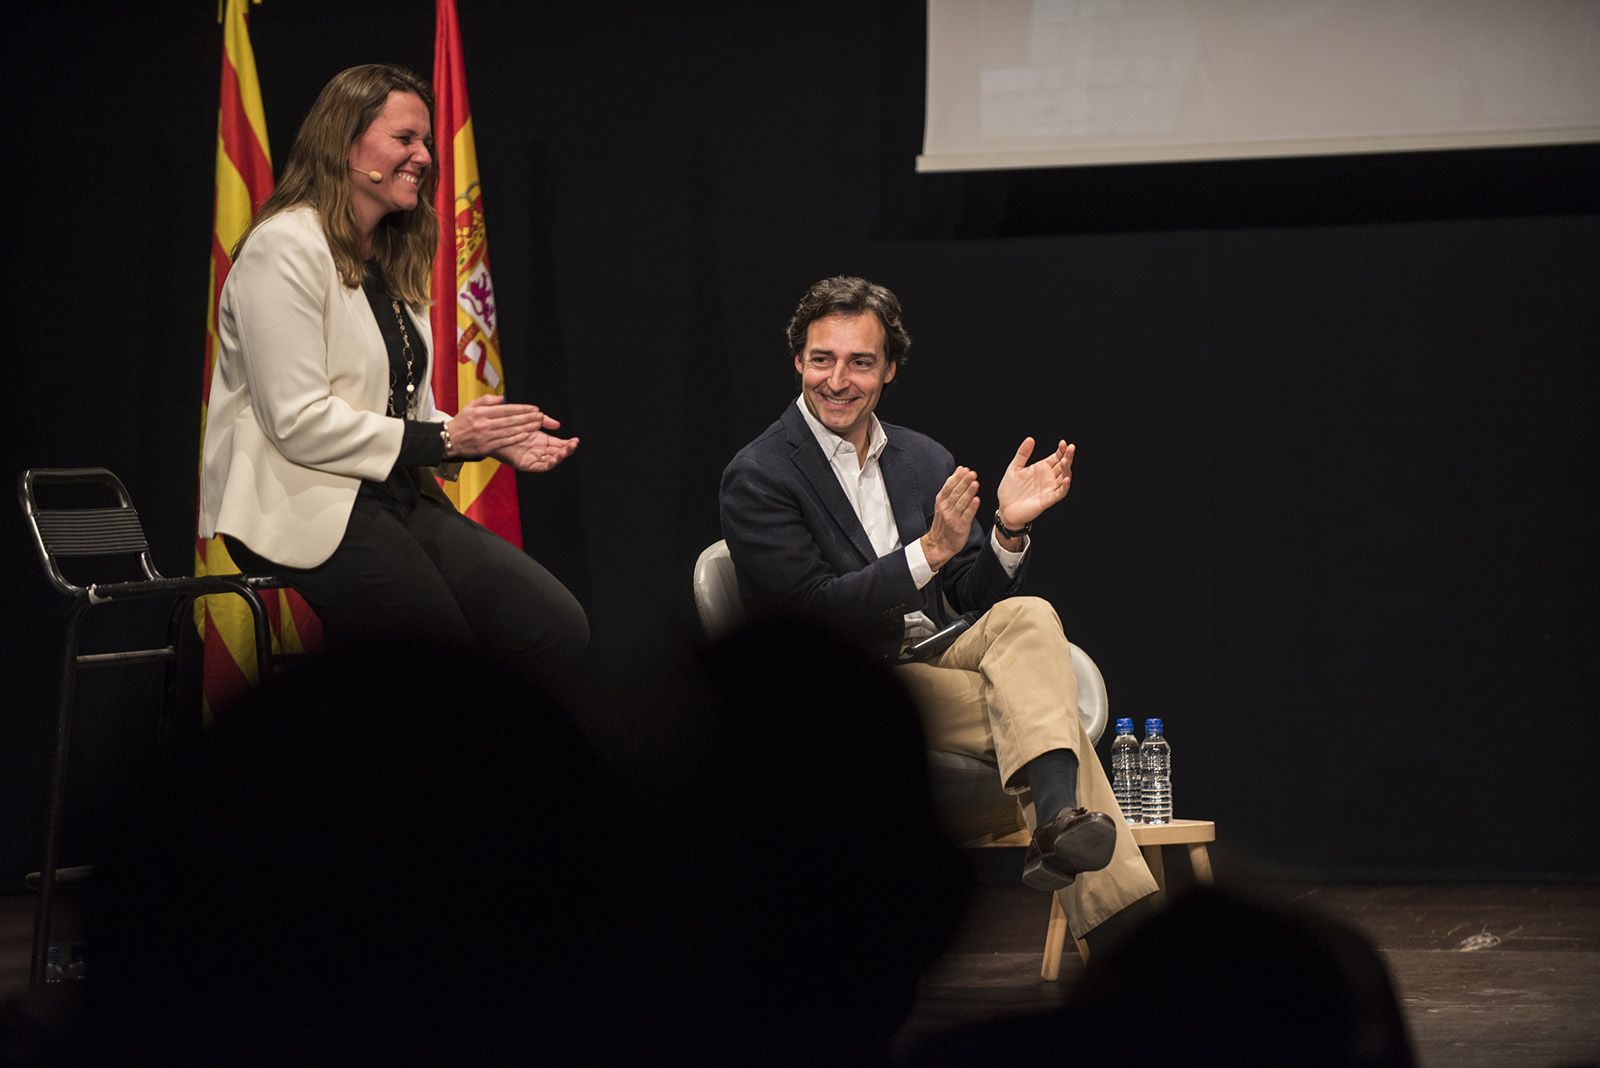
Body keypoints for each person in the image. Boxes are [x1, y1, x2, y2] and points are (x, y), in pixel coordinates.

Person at [718, 275, 1157, 951]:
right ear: (798, 360)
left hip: (937, 655)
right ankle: (1113, 916)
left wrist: (1009, 529)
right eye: (822, 359)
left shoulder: (922, 459)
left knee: (1029, 612)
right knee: (1048, 713)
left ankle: (1060, 825)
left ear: (889, 369)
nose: (838, 380)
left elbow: (968, 595)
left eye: (860, 362)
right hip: (844, 683)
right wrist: (924, 553)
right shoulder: (759, 473)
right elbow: (811, 616)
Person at [198, 64, 586, 680]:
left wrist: (485, 439)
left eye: (426, 141)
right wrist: (448, 438)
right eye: (405, 138)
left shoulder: (391, 250)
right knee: (435, 657)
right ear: (345, 143)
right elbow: (296, 422)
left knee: (554, 625)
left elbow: (398, 408)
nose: (425, 156)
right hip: (301, 498)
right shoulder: (285, 246)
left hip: (389, 494)